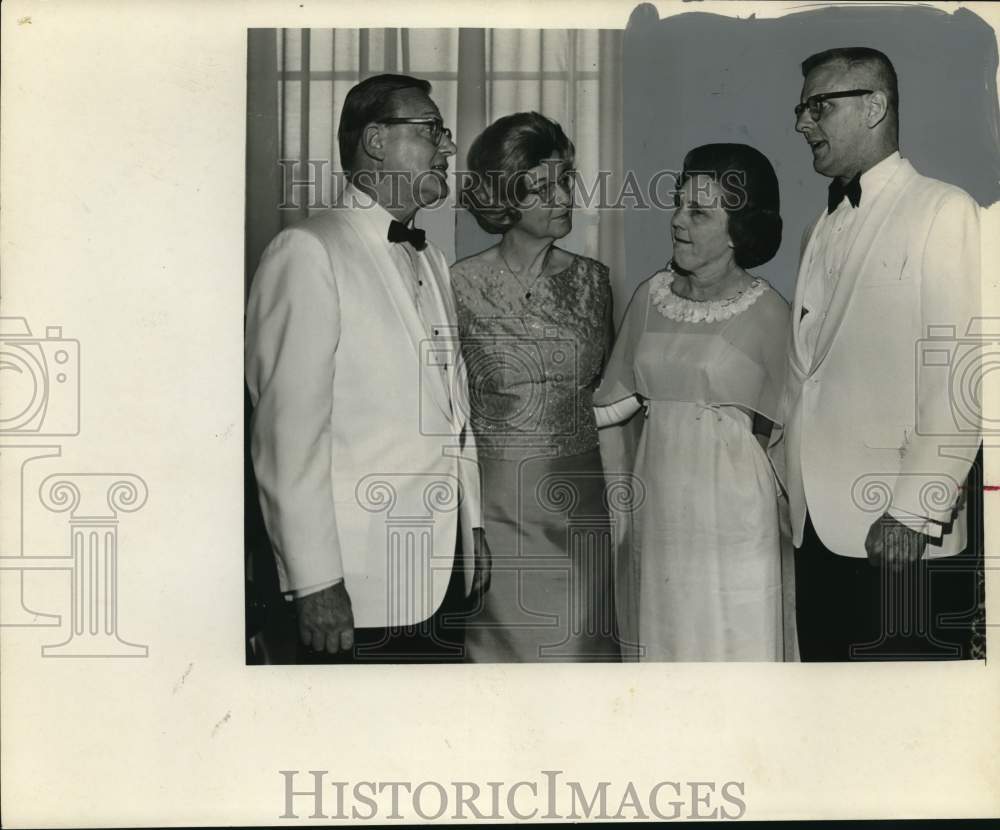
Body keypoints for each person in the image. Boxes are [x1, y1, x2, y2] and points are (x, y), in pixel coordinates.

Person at [245, 73, 491, 663]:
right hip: (355, 584)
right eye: (432, 130)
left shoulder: (429, 256)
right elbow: (286, 438)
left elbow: (450, 408)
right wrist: (313, 581)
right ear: (376, 142)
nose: (449, 147)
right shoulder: (307, 251)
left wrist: (470, 525)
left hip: (439, 572)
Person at [782, 47, 982, 661]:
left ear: (875, 106)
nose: (801, 124)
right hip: (815, 526)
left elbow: (962, 369)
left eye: (819, 106)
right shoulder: (824, 224)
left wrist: (916, 510)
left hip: (898, 532)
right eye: (801, 108)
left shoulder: (944, 210)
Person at [595, 143, 790, 662]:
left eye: (699, 212)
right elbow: (609, 403)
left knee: (733, 641)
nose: (678, 221)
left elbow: (792, 430)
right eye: (678, 206)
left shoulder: (769, 311)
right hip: (660, 501)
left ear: (738, 230)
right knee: (667, 638)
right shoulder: (649, 296)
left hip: (734, 511)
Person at [451, 112, 619, 662]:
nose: (563, 196)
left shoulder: (594, 281)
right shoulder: (458, 285)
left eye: (566, 179)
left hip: (579, 510)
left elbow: (609, 397)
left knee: (578, 657)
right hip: (497, 507)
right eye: (542, 187)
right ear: (504, 198)